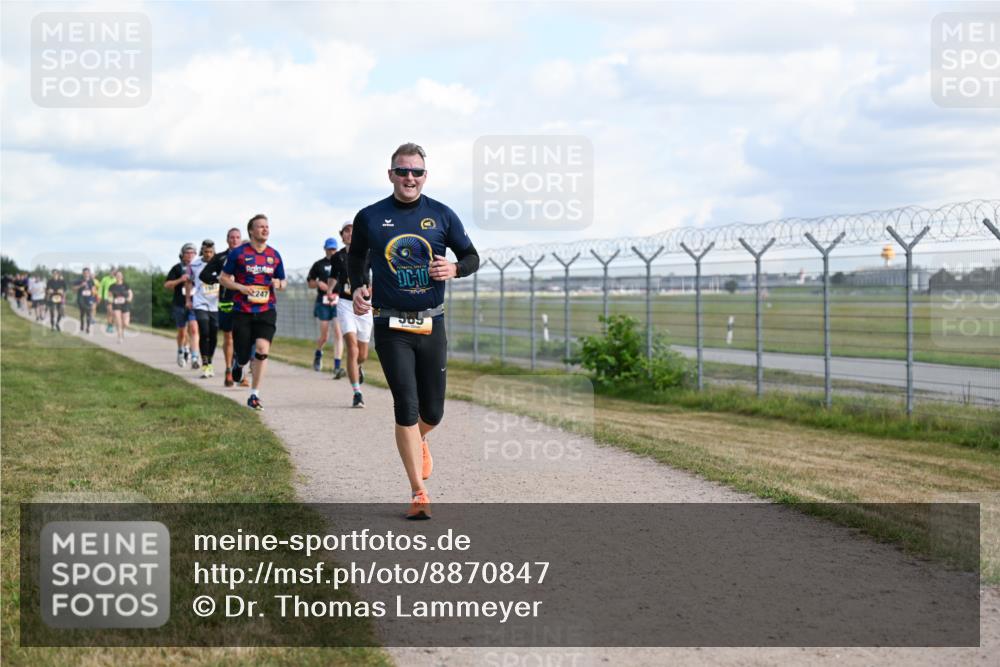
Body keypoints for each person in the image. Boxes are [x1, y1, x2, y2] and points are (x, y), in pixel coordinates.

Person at [349, 142, 480, 519]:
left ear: (425, 175)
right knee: (405, 405)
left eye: (416, 172)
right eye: (402, 171)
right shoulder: (371, 216)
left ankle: (419, 437)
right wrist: (358, 285)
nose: (409, 178)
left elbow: (471, 256)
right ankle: (418, 492)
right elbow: (356, 255)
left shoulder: (442, 214)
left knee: (433, 411)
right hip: (389, 322)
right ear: (390, 174)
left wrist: (455, 268)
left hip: (431, 320)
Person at [219, 214, 286, 410]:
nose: (265, 229)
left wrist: (279, 283)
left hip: (266, 309)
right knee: (243, 354)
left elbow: (283, 281)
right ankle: (238, 365)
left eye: (267, 226)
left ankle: (254, 395)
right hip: (243, 310)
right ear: (251, 230)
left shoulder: (274, 255)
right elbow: (223, 279)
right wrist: (239, 287)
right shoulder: (238, 254)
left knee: (262, 350)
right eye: (260, 227)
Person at [201, 227, 246, 387]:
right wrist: (219, 279)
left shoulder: (248, 256)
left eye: (237, 237)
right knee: (229, 337)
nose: (234, 240)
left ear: (241, 240)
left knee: (243, 337)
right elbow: (204, 275)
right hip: (226, 301)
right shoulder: (220, 258)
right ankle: (228, 370)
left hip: (244, 301)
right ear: (227, 240)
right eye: (231, 237)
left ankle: (241, 370)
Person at [333, 221, 372, 407]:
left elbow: (377, 274)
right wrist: (329, 290)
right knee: (352, 348)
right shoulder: (337, 257)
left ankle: (358, 367)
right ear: (342, 235)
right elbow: (333, 279)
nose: (350, 234)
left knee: (362, 354)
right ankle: (357, 392)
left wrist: (371, 289)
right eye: (346, 231)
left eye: (353, 231)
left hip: (364, 304)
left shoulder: (368, 253)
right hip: (345, 304)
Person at [307, 237, 345, 374]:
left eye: (334, 249)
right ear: (325, 249)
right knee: (324, 335)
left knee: (338, 332)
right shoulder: (319, 265)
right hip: (323, 301)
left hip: (338, 301)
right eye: (329, 249)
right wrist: (318, 283)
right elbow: (310, 283)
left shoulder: (342, 262)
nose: (332, 251)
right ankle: (318, 353)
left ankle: (337, 365)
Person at [164, 244, 200, 368]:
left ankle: (195, 356)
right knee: (182, 332)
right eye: (187, 253)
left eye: (192, 253)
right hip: (179, 304)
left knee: (194, 329)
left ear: (196, 254)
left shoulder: (199, 268)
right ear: (182, 255)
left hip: (195, 304)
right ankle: (181, 350)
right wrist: (180, 279)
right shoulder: (177, 268)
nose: (190, 255)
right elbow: (167, 285)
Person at [189, 240, 220, 379]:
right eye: (206, 252)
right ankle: (205, 363)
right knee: (204, 331)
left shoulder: (220, 263)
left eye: (210, 252)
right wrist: (187, 300)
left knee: (213, 334)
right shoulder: (194, 264)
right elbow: (188, 281)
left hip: (215, 304)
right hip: (200, 302)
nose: (208, 254)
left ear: (214, 252)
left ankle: (210, 361)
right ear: (202, 251)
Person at [108, 270, 133, 343]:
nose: (118, 277)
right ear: (115, 277)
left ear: (122, 277)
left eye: (120, 275)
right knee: (118, 321)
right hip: (116, 305)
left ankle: (122, 331)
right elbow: (109, 295)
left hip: (125, 305)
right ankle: (120, 337)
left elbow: (130, 293)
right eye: (117, 275)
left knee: (126, 323)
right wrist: (111, 300)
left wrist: (130, 298)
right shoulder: (112, 286)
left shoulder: (126, 285)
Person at [74, 267, 98, 335]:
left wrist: (93, 291)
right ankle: (82, 324)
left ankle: (88, 327)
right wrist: (81, 285)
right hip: (81, 299)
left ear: (89, 273)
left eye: (87, 273)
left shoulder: (91, 281)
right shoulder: (79, 280)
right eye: (85, 273)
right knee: (82, 313)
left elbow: (93, 289)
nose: (86, 274)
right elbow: (74, 289)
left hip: (89, 299)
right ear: (83, 273)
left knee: (89, 313)